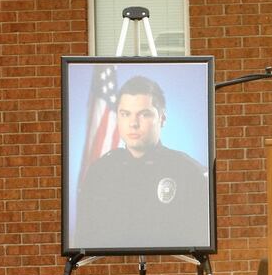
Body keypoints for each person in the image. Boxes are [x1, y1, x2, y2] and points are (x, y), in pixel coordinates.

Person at [74, 75, 209, 249]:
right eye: (125, 114)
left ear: (162, 118)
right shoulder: (99, 173)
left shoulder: (188, 172)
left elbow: (198, 241)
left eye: (144, 114)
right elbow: (84, 240)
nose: (133, 123)